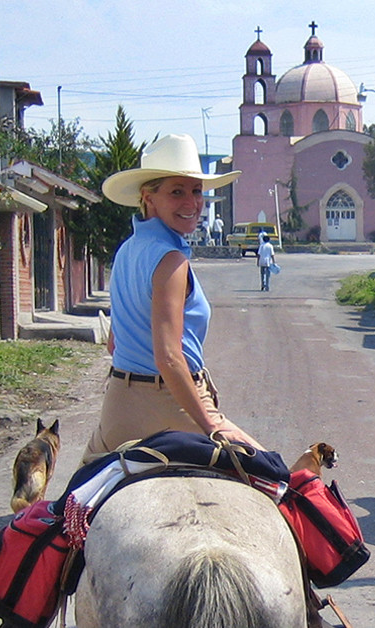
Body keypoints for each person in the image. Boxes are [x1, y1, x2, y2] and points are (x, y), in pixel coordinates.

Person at [82, 133, 263, 464]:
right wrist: (211, 425)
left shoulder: (126, 252)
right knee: (282, 483)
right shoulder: (171, 259)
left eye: (196, 191)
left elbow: (114, 344)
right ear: (148, 197)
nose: (192, 203)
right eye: (176, 191)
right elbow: (168, 357)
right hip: (173, 408)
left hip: (119, 409)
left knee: (74, 503)